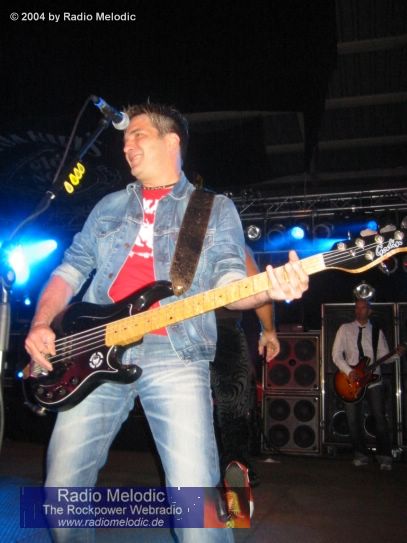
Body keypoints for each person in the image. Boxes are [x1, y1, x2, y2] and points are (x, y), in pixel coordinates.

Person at [25, 102, 309, 543]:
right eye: (124, 139)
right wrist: (41, 323)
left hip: (176, 353)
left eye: (137, 134)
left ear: (171, 140)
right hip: (91, 350)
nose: (127, 145)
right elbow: (70, 271)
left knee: (197, 513)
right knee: (61, 495)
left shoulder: (212, 208)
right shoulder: (109, 206)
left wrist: (272, 290)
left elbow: (232, 282)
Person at [211, 248, 280, 487]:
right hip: (221, 330)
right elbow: (257, 286)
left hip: (178, 331)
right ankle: (235, 475)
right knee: (233, 409)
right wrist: (269, 330)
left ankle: (201, 480)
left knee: (188, 409)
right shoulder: (230, 237)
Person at [332, 298, 399, 471]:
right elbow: (336, 355)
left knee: (379, 418)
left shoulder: (376, 331)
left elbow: (384, 355)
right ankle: (360, 455)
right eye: (357, 308)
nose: (359, 311)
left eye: (363, 308)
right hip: (351, 381)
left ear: (369, 311)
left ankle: (385, 456)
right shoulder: (345, 329)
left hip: (373, 380)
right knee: (352, 420)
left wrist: (396, 354)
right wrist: (349, 371)